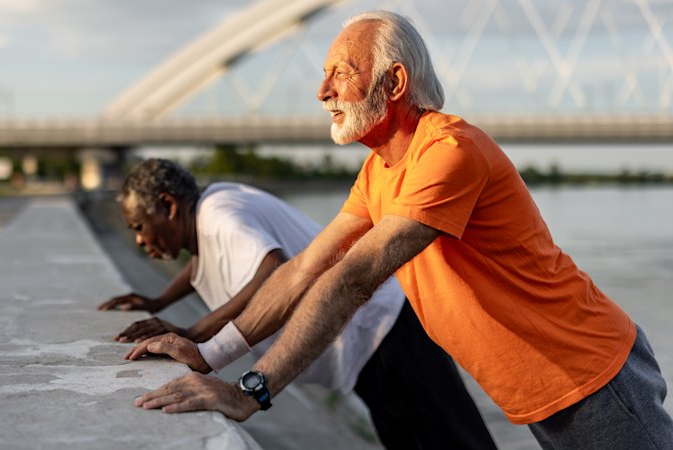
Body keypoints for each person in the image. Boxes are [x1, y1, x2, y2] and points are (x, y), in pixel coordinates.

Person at [124, 10, 673, 450]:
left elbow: (354, 278)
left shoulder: (449, 152)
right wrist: (210, 354)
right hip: (544, 390)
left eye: (340, 72)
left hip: (593, 376)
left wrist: (250, 392)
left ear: (394, 82)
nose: (322, 91)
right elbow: (304, 269)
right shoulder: (380, 171)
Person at [102, 158, 496, 449]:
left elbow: (272, 268)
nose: (138, 239)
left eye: (138, 226)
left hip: (383, 331)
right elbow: (203, 265)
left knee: (455, 441)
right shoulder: (214, 207)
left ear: (169, 206)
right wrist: (159, 299)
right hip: (366, 339)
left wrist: (194, 334)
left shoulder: (220, 215)